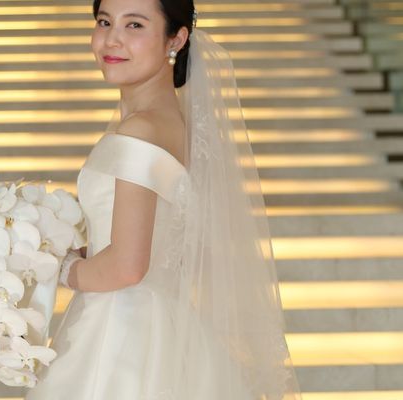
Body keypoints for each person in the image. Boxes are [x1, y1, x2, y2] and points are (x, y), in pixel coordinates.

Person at [24, 0, 303, 398]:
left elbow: (126, 267)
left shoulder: (141, 130)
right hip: (163, 324)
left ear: (176, 38)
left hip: (120, 334)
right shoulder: (175, 124)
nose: (112, 39)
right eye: (104, 21)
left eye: (135, 25)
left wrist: (56, 266)